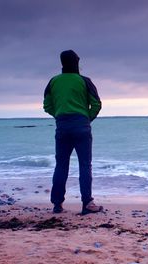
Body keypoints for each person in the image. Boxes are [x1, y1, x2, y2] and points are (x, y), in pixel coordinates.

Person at [43, 50, 103, 215]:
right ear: (77, 62)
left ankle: (57, 204)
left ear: (62, 63)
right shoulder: (84, 81)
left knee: (61, 165)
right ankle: (87, 204)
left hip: (62, 126)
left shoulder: (53, 82)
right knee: (85, 165)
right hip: (81, 126)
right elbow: (96, 104)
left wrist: (60, 115)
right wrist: (86, 118)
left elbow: (47, 105)